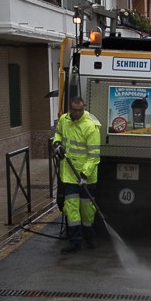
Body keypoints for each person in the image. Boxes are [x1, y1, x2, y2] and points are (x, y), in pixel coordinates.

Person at [53, 96, 101, 254]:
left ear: (84, 108)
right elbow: (58, 134)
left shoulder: (90, 127)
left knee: (87, 210)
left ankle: (90, 237)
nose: (77, 113)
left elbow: (94, 156)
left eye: (80, 110)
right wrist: (57, 144)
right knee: (71, 209)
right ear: (69, 108)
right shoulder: (64, 120)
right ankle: (75, 241)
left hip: (86, 177)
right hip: (68, 174)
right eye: (74, 110)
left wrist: (84, 174)